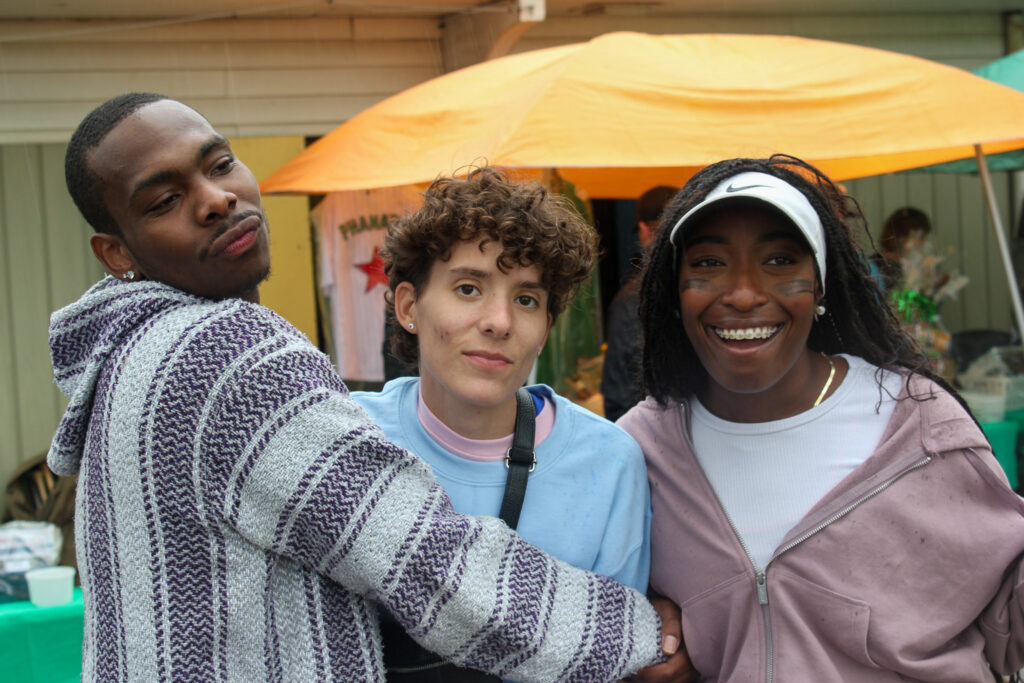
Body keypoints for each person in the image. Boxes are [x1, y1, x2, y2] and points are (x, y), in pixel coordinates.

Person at [48, 92, 669, 682]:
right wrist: (646, 634)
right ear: (115, 253)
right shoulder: (228, 357)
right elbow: (435, 571)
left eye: (220, 164)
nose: (216, 199)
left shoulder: (128, 359)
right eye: (163, 200)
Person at [619, 154, 1024, 682]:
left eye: (780, 260)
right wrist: (636, 628)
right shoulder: (638, 452)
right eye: (709, 263)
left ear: (822, 284)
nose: (743, 294)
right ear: (675, 291)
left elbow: (1006, 609)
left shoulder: (915, 422)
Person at [351, 168, 666, 680]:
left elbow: (610, 659)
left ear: (544, 330)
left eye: (526, 299)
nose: (499, 321)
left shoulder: (609, 463)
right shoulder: (347, 439)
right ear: (409, 306)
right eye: (468, 288)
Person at [602, 185, 678, 422]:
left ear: (644, 231)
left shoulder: (631, 300)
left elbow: (617, 394)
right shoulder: (705, 288)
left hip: (650, 433)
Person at [869, 206, 932, 293]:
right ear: (902, 238)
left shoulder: (880, 263)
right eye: (921, 237)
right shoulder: (880, 270)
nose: (925, 243)